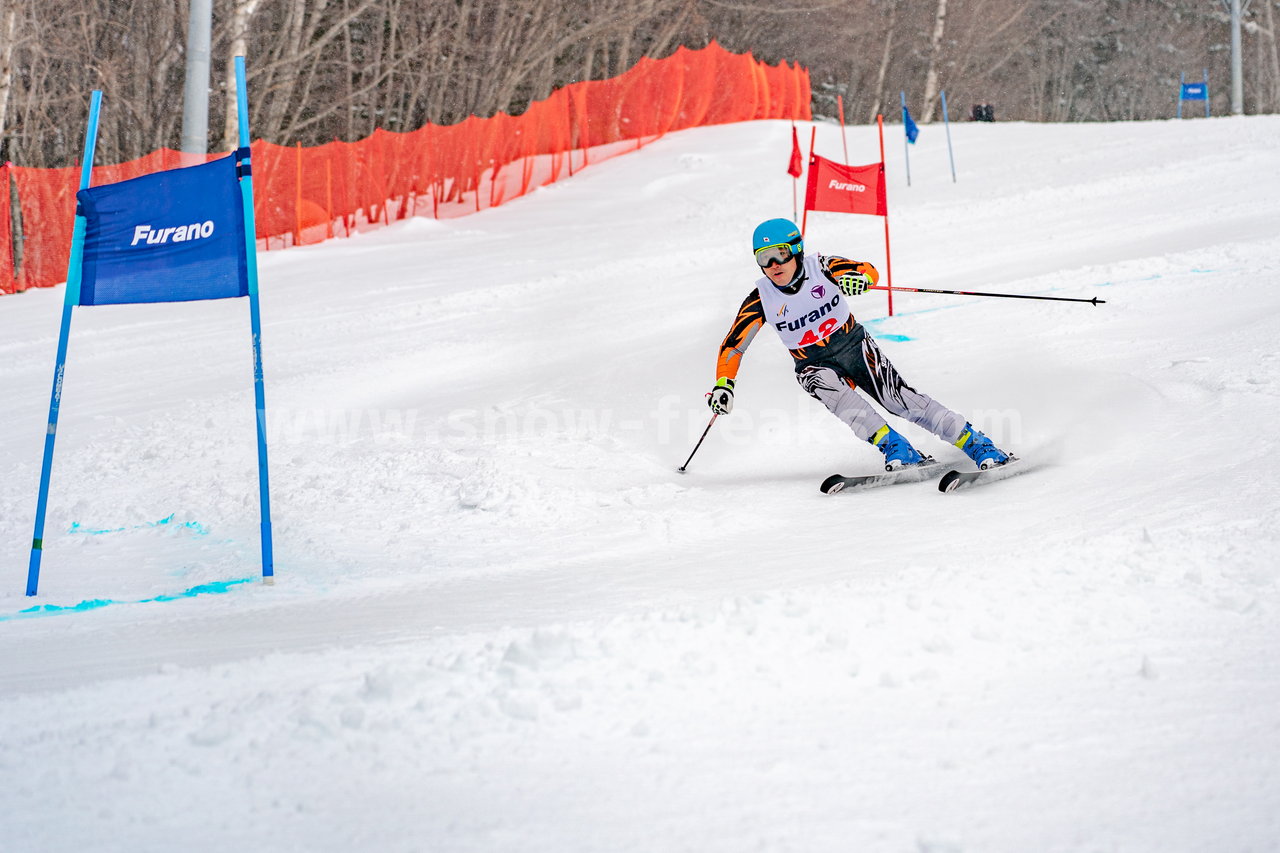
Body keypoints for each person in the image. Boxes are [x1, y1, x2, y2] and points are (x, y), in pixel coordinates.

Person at [708, 217, 1011, 471]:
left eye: (780, 254)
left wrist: (859, 278)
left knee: (900, 401)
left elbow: (867, 269)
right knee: (842, 400)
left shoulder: (822, 267)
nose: (773, 264)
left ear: (797, 250)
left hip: (853, 344)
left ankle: (978, 444)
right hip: (811, 363)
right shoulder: (761, 297)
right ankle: (898, 450)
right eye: (764, 258)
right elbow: (733, 345)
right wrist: (724, 383)